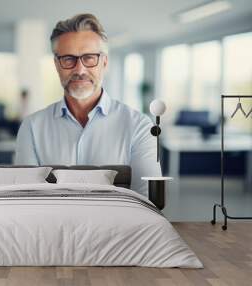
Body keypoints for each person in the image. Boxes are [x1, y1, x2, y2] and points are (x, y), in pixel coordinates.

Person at [14, 14, 161, 197]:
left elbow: (147, 201)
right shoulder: (32, 128)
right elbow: (25, 198)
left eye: (89, 58)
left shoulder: (140, 126)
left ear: (104, 62)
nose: (80, 70)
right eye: (68, 59)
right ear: (56, 65)